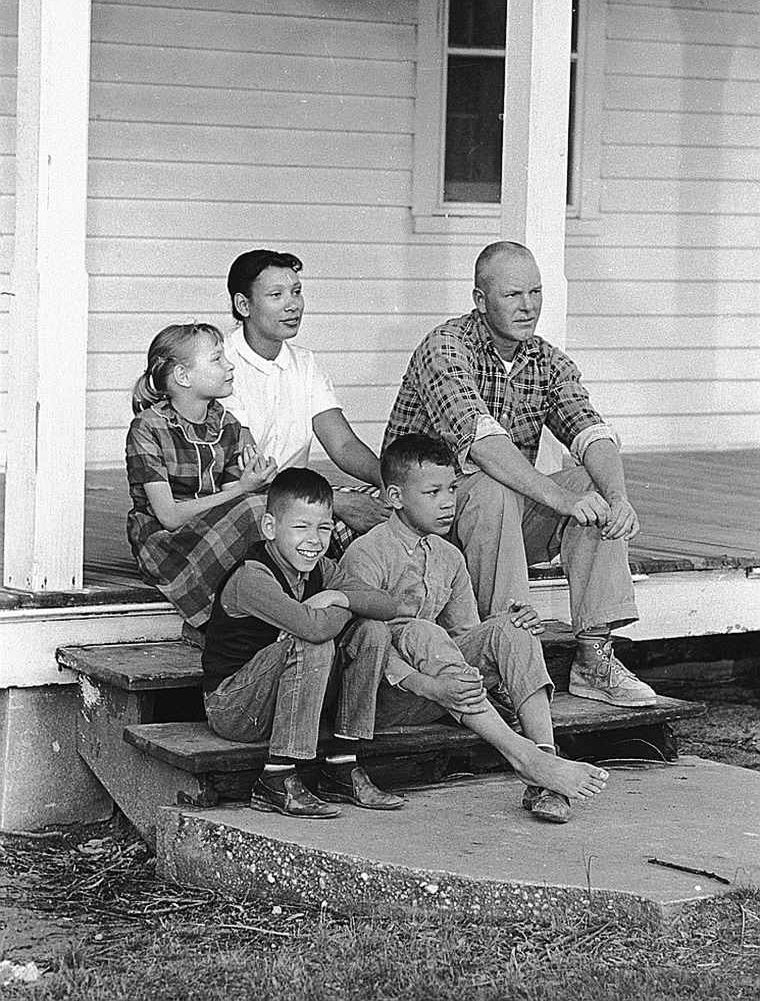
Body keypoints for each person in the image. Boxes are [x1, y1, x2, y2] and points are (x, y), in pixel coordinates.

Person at [384, 241, 656, 709]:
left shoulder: (546, 360)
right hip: (424, 522)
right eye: (513, 295)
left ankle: (594, 657)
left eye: (535, 292)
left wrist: (618, 497)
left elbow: (591, 431)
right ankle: (509, 658)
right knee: (494, 486)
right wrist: (562, 500)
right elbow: (484, 446)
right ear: (479, 298)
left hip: (498, 526)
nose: (527, 306)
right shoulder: (446, 347)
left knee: (596, 490)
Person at [340, 434, 609, 823]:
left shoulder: (448, 556)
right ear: (395, 497)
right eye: (432, 492)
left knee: (512, 628)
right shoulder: (367, 553)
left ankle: (545, 770)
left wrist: (507, 627)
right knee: (420, 633)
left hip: (445, 690)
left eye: (451, 488)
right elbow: (358, 643)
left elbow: (466, 635)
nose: (448, 501)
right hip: (386, 695)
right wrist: (425, 684)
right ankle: (524, 757)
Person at [202, 467, 405, 818]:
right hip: (234, 708)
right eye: (301, 527)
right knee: (312, 643)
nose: (314, 539)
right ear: (270, 528)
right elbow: (311, 630)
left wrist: (335, 598)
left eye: (323, 527)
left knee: (373, 630)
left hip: (284, 702)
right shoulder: (252, 576)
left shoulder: (321, 570)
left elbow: (387, 605)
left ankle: (342, 764)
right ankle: (276, 778)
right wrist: (339, 602)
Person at [222, 248, 389, 553]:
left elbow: (343, 445)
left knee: (394, 511)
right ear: (243, 305)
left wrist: (389, 483)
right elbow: (248, 472)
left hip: (298, 498)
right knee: (337, 517)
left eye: (296, 292)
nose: (293, 305)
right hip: (243, 501)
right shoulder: (221, 364)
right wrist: (334, 501)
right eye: (276, 295)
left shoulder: (304, 363)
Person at [126, 323, 276, 630]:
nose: (229, 365)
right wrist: (245, 491)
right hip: (166, 543)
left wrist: (254, 482)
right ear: (183, 376)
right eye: (217, 359)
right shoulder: (148, 427)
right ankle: (229, 623)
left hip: (212, 531)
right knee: (256, 509)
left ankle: (268, 610)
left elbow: (237, 498)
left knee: (278, 509)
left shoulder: (227, 423)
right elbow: (168, 516)